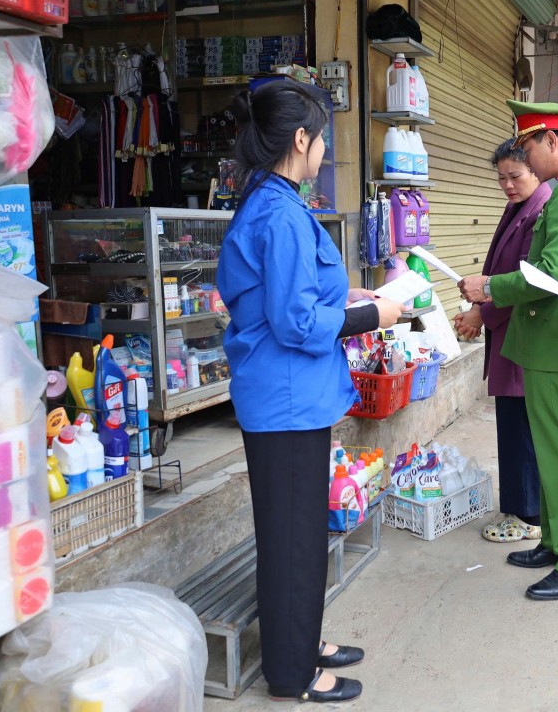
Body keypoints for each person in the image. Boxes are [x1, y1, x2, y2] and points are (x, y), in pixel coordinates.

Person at [217, 82, 403, 703]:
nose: (324, 150)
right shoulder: (279, 213)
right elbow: (295, 322)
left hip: (288, 395)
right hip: (286, 400)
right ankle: (292, 673)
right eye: (322, 138)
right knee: (292, 539)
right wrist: (373, 315)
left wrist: (352, 296)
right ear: (301, 139)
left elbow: (291, 296)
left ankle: (301, 642)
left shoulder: (271, 202)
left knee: (296, 532)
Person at [459, 101, 558, 602]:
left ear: (551, 140)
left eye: (527, 148)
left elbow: (552, 271)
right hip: (554, 341)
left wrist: (490, 287)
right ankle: (555, 541)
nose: (525, 160)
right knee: (551, 450)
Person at [454, 139, 552, 544]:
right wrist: (479, 304)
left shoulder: (541, 210)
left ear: (536, 170)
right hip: (509, 330)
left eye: (515, 176)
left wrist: (483, 312)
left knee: (523, 428)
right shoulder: (519, 206)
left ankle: (528, 515)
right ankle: (519, 507)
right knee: (513, 423)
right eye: (501, 178)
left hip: (524, 333)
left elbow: (527, 282)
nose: (508, 185)